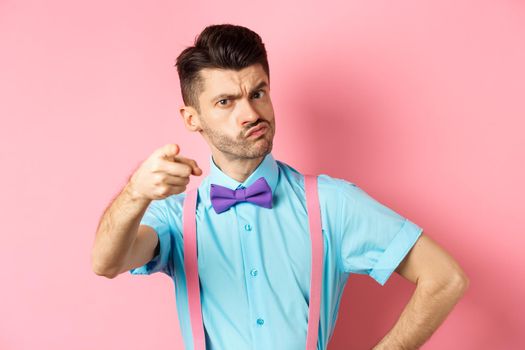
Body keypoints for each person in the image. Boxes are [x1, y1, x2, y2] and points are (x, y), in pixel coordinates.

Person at [91, 23, 469, 350]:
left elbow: (445, 278)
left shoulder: (331, 204)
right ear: (193, 118)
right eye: (226, 101)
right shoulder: (174, 216)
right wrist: (135, 193)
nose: (251, 114)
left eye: (257, 93)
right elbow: (106, 263)